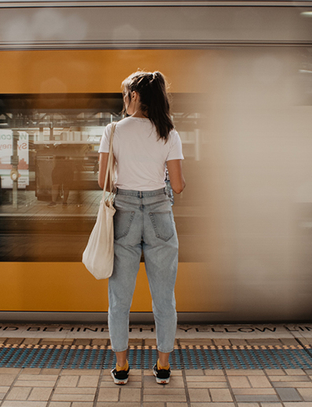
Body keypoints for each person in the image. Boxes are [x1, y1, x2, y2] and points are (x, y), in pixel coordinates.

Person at [98, 70, 185, 386]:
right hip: (160, 213)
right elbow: (178, 185)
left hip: (125, 215)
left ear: (134, 96)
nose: (124, 100)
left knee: (119, 298)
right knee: (164, 297)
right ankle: (162, 366)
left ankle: (121, 367)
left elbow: (103, 181)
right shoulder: (168, 133)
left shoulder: (112, 130)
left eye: (125, 94)